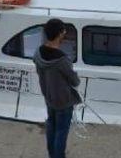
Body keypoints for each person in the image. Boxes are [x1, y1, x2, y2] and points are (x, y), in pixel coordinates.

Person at [34, 18, 81, 158]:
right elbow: (75, 81)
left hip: (48, 97)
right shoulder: (62, 60)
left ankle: (51, 154)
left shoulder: (38, 53)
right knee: (61, 131)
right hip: (63, 101)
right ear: (60, 34)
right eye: (64, 30)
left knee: (51, 126)